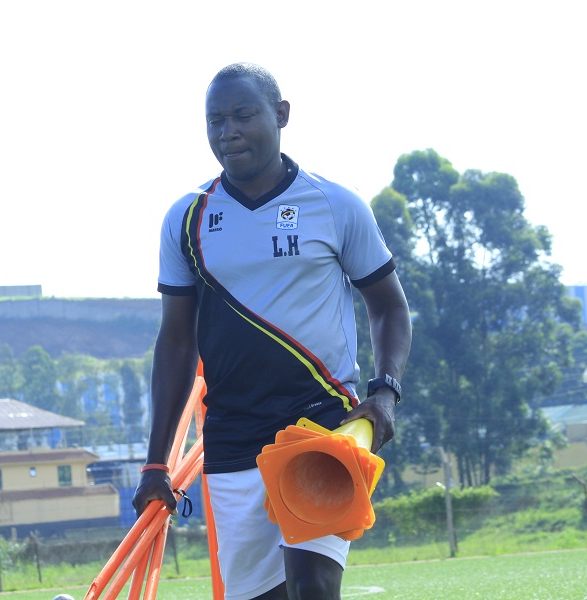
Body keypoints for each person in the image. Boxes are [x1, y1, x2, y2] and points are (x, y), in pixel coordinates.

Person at [132, 62, 412, 600]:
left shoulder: (335, 204)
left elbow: (389, 308)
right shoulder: (187, 217)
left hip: (322, 426)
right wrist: (156, 461)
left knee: (313, 586)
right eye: (215, 120)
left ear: (281, 114)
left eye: (243, 115)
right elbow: (175, 343)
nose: (228, 132)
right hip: (233, 439)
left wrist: (385, 393)